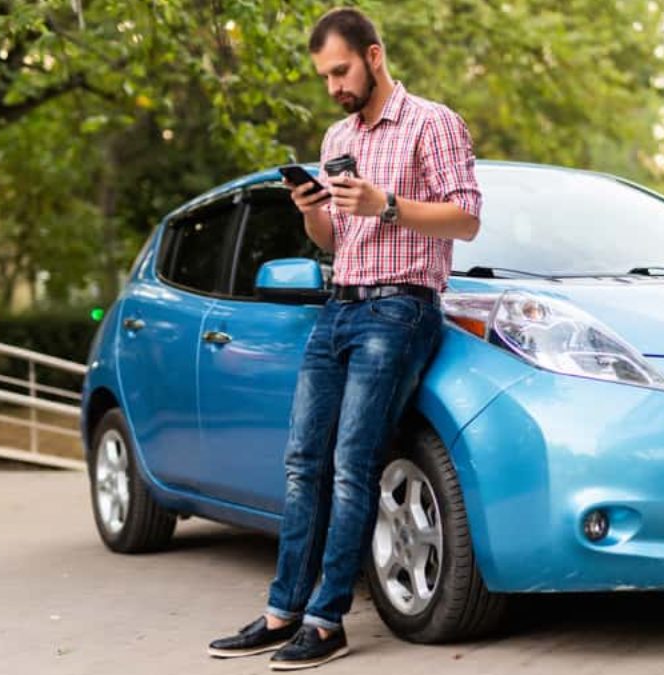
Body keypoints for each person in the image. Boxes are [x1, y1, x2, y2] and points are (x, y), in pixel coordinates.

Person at [207, 7, 481, 671]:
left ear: (374, 56)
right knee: (303, 461)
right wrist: (314, 214)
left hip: (400, 309)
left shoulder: (431, 122)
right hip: (338, 307)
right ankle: (282, 612)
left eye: (341, 70)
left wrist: (386, 203)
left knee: (351, 463)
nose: (332, 85)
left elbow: (466, 218)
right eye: (324, 75)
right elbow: (338, 238)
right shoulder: (337, 133)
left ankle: (327, 621)